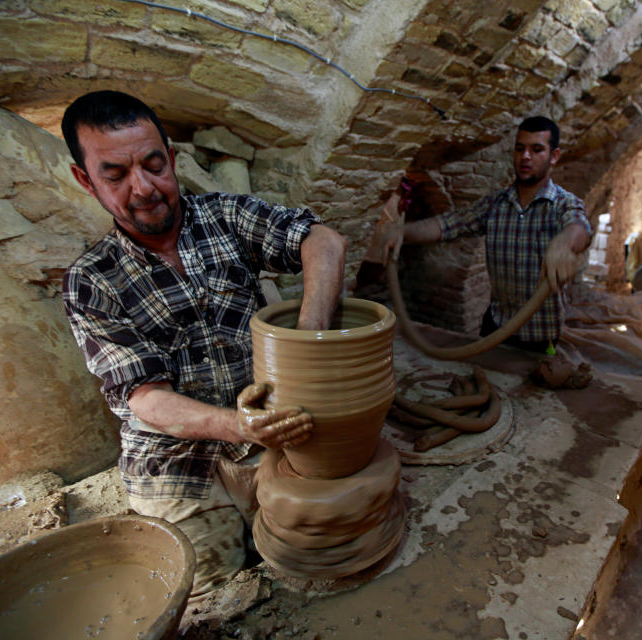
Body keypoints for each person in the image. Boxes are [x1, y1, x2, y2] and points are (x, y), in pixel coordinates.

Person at [60, 90, 346, 598]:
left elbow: (322, 240)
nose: (144, 188)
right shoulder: (91, 281)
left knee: (326, 551)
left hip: (269, 429)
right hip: (173, 458)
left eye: (153, 165)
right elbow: (145, 398)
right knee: (209, 592)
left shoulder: (224, 218)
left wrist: (307, 337)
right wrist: (239, 426)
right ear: (86, 180)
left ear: (172, 159)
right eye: (116, 175)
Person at [374, 116, 593, 354]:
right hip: (495, 328)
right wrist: (403, 232)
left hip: (540, 338)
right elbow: (449, 224)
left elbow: (579, 227)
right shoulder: (496, 203)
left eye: (537, 149)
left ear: (554, 156)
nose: (525, 157)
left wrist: (565, 242)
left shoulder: (564, 204)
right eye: (520, 149)